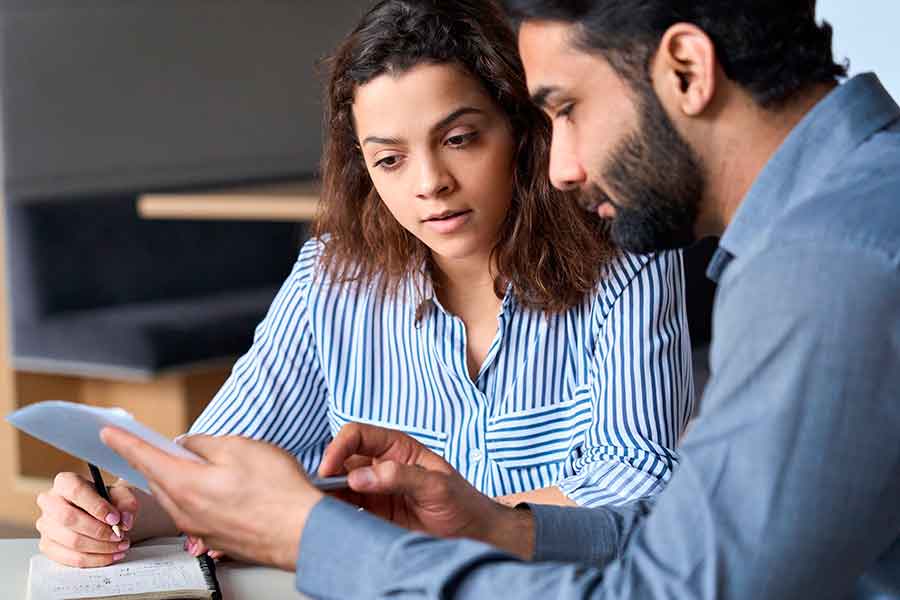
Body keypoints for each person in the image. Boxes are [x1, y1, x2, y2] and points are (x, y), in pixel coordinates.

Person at [102, 0, 900, 597]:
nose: (560, 165)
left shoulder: (828, 266)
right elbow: (688, 544)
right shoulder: (844, 220)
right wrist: (493, 524)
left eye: (564, 110)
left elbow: (670, 589)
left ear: (686, 69)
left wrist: (315, 535)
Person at [35, 0, 695, 569]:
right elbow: (223, 462)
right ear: (364, 170)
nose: (429, 182)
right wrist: (111, 513)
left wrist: (444, 522)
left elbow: (641, 487)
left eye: (460, 139)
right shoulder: (332, 274)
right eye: (390, 158)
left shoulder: (626, 257)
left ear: (521, 133)